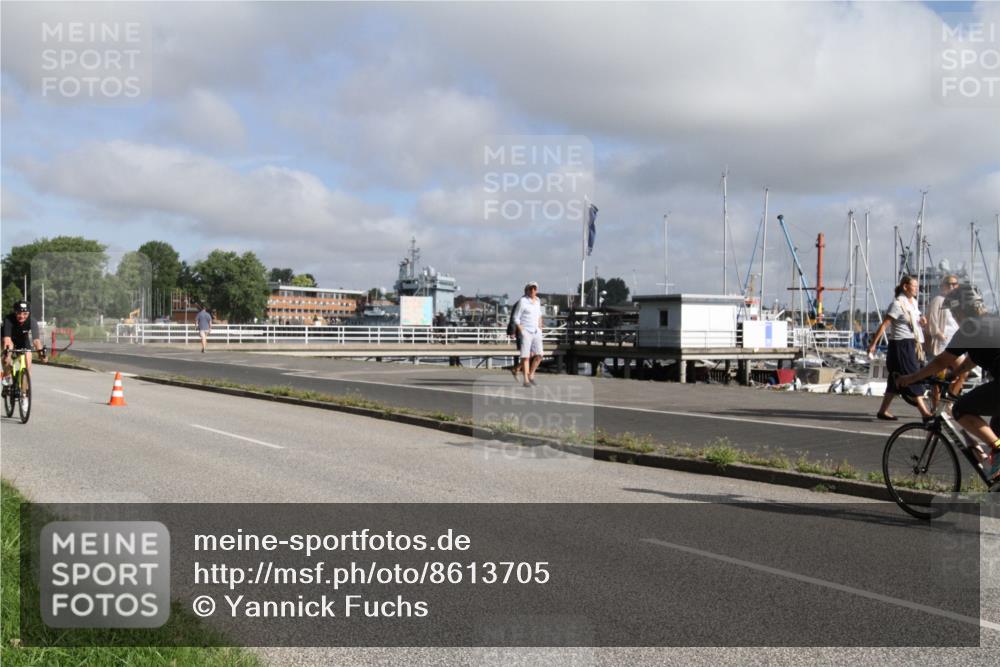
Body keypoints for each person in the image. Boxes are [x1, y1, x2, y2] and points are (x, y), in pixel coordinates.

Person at [898, 284, 1000, 480]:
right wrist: (955, 375)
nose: (953, 316)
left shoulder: (970, 328)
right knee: (994, 430)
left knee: (960, 410)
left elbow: (941, 361)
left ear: (962, 309)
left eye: (954, 311)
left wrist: (910, 378)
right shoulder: (991, 321)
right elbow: (973, 358)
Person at [867, 275, 932, 421]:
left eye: (917, 286)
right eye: (914, 286)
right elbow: (885, 324)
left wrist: (922, 321)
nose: (917, 288)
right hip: (902, 344)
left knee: (894, 379)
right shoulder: (897, 304)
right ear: (905, 286)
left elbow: (915, 320)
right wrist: (873, 344)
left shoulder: (913, 302)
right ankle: (925, 412)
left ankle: (883, 411)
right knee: (912, 375)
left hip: (914, 343)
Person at [925, 275, 961, 409]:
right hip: (942, 343)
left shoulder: (956, 302)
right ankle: (935, 408)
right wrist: (939, 335)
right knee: (939, 377)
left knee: (963, 372)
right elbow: (932, 320)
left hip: (956, 342)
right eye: (949, 284)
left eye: (955, 284)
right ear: (943, 286)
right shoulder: (938, 300)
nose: (952, 286)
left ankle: (949, 401)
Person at [2, 301, 47, 394]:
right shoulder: (8, 319)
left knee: (28, 363)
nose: (22, 316)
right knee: (7, 357)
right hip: (8, 339)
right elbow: (7, 339)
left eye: (25, 314)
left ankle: (24, 393)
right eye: (19, 313)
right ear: (15, 312)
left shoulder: (32, 321)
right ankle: (6, 377)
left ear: (29, 313)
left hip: (22, 340)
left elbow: (36, 341)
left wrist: (41, 353)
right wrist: (7, 354)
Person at [513, 281, 544, 387]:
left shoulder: (538, 300)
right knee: (526, 356)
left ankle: (531, 374)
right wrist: (521, 329)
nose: (532, 291)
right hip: (526, 331)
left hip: (536, 331)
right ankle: (526, 380)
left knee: (539, 355)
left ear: (537, 290)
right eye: (530, 289)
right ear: (526, 290)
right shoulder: (522, 301)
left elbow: (539, 314)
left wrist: (540, 326)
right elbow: (516, 317)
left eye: (534, 289)